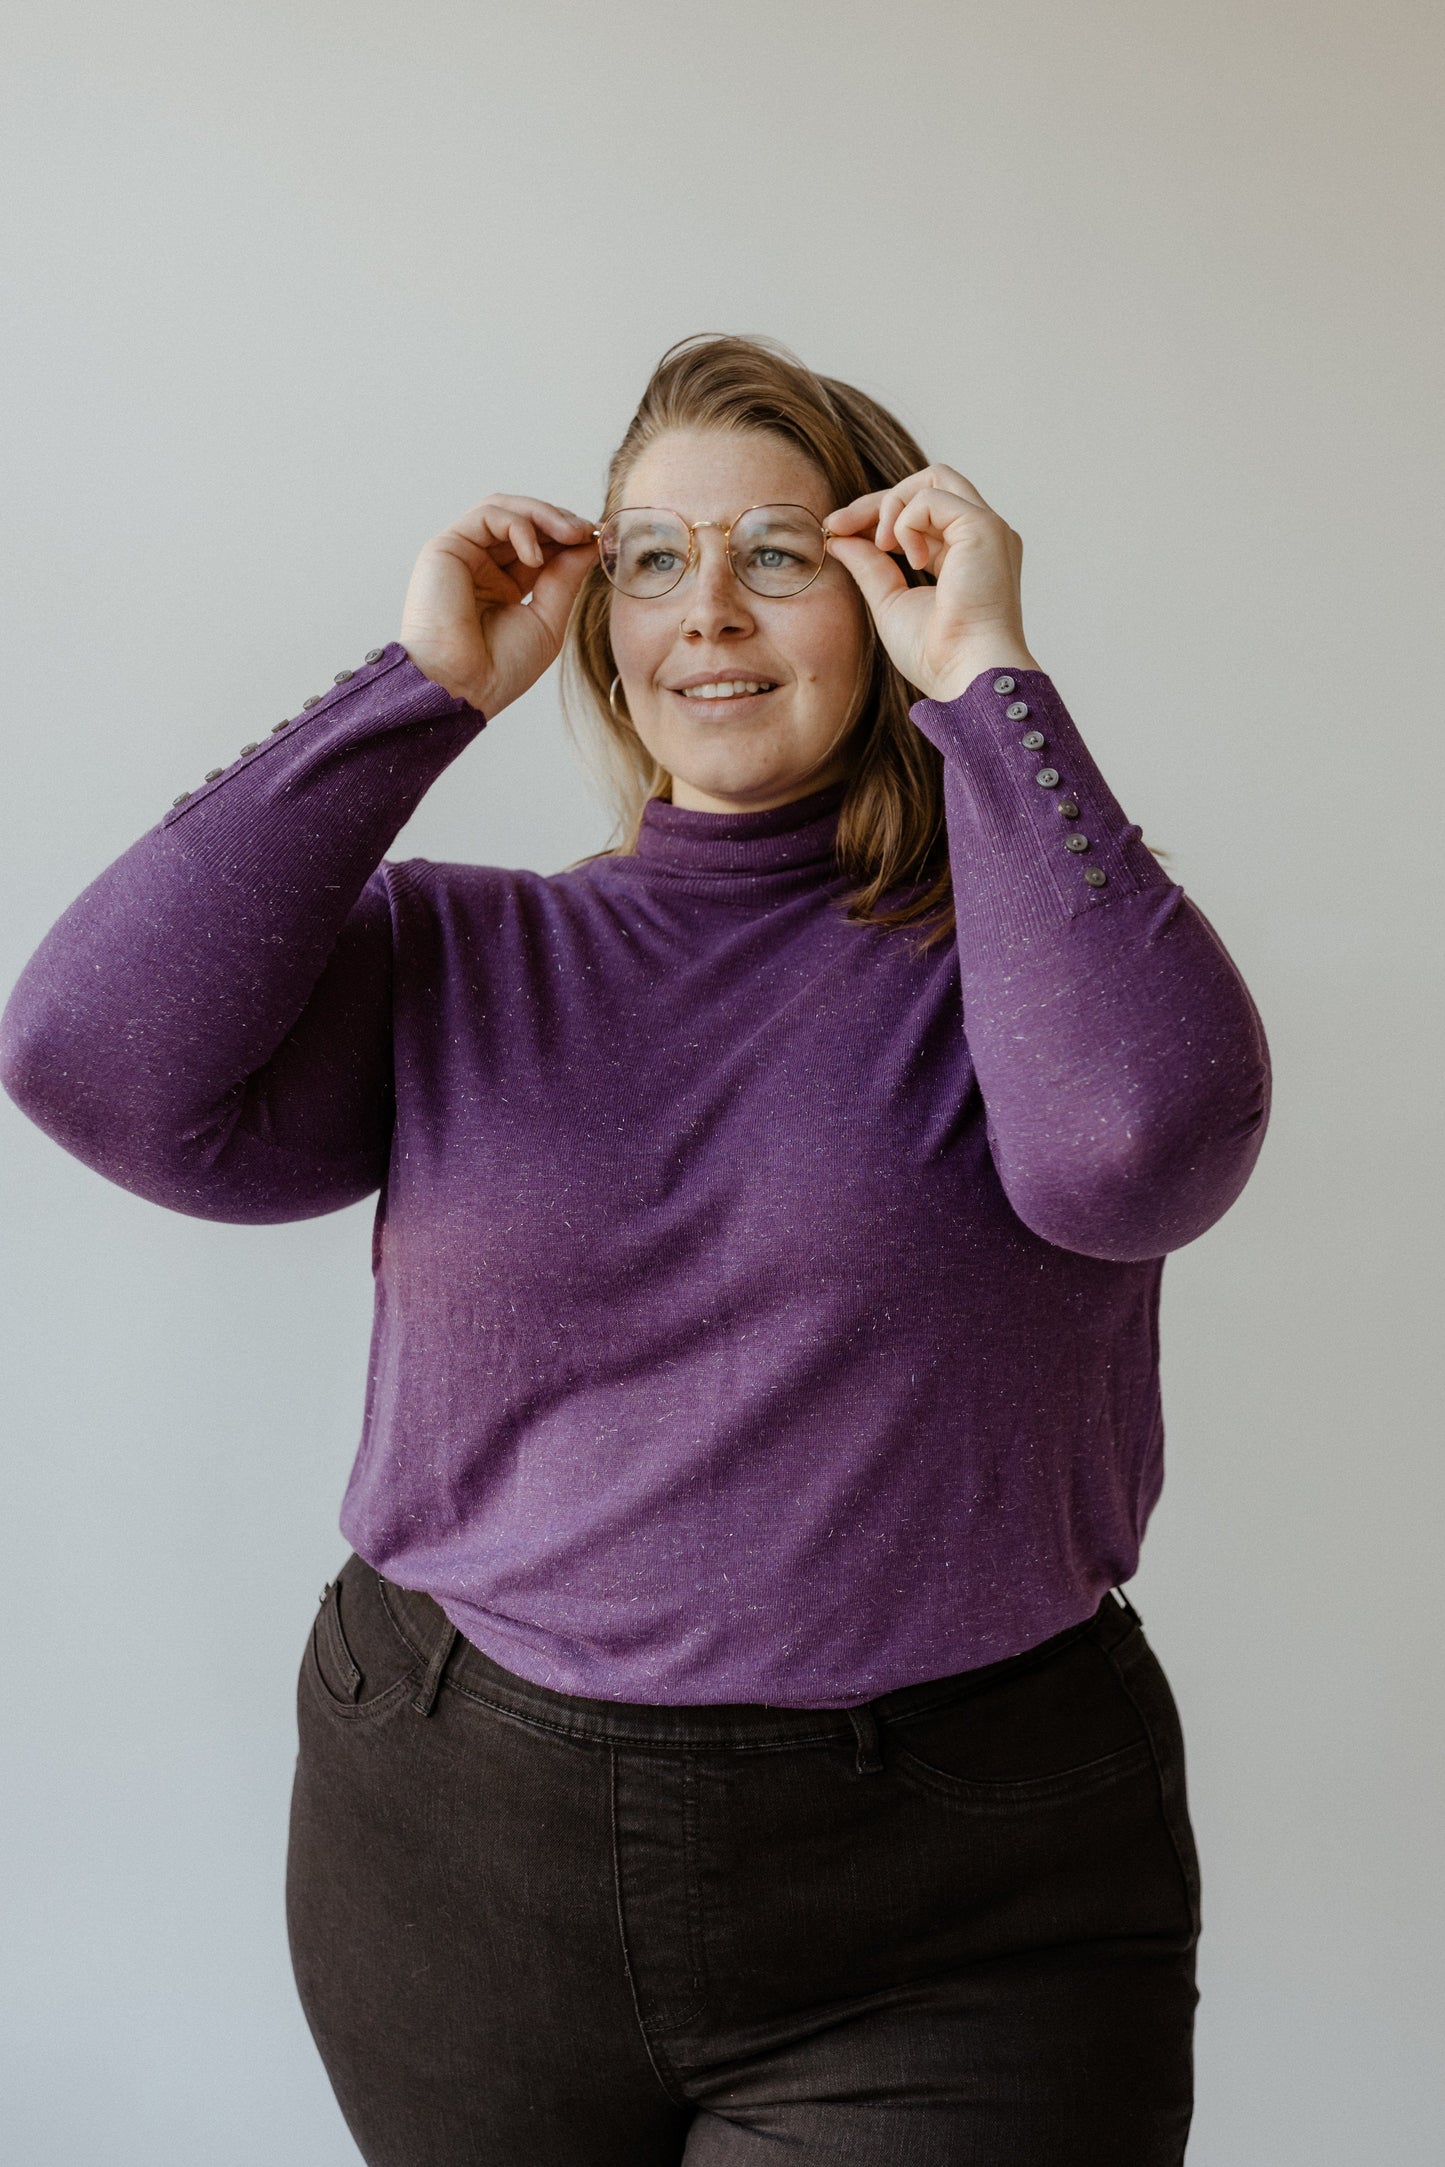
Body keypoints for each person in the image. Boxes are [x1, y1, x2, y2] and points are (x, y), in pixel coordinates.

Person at [0, 332, 1271, 2166]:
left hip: (955, 1884)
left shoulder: (1027, 970)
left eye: (778, 553)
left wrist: (986, 676)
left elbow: (1142, 1147)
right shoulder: (459, 957)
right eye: (652, 558)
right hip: (454, 1851)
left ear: (884, 583)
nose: (710, 610)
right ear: (598, 623)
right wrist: (423, 685)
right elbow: (87, 1057)